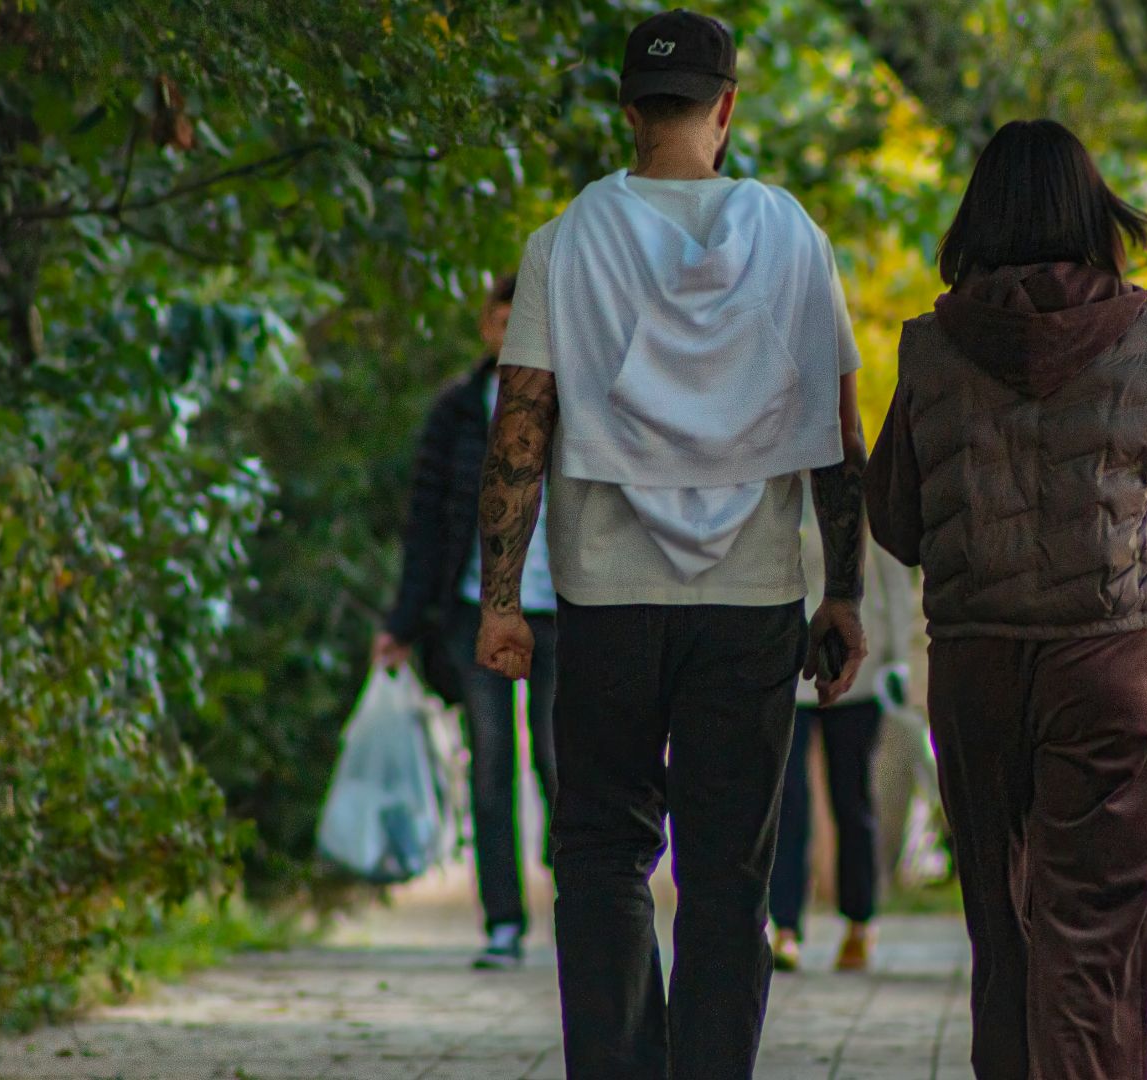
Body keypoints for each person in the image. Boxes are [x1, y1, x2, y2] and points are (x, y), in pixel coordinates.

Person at [472, 10, 869, 1078]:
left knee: (602, 855)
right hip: (751, 602)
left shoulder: (565, 241)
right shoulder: (795, 240)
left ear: (627, 110)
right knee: (731, 875)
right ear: (728, 107)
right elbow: (839, 429)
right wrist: (845, 594)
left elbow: (522, 420)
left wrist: (501, 597)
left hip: (604, 599)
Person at [867, 119, 1147, 1080]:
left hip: (976, 666)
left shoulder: (928, 349)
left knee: (1003, 931)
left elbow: (899, 523)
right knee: (1095, 934)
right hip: (1106, 666)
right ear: (1093, 213)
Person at [374, 277, 556, 971]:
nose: (511, 334)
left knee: (558, 761)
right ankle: (503, 922)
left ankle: (578, 908)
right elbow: (425, 523)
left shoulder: (574, 406)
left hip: (559, 615)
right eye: (501, 320)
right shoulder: (456, 410)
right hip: (471, 612)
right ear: (486, 325)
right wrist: (400, 620)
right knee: (490, 768)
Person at [769, 504, 914, 974]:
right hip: (788, 674)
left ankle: (859, 921)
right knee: (786, 801)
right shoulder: (781, 482)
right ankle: (784, 925)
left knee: (850, 799)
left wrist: (898, 658)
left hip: (857, 672)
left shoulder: (863, 492)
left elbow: (894, 584)